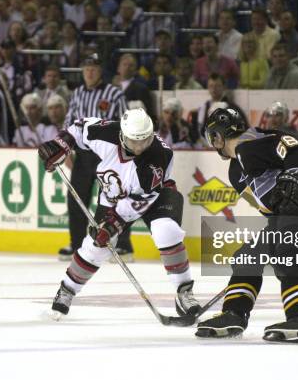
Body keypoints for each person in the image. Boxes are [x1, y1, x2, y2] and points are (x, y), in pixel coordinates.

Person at [195, 107, 298, 342]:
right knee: (247, 257)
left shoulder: (253, 140)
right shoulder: (236, 171)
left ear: (217, 137)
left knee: (287, 253)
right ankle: (234, 313)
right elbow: (269, 206)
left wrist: (295, 176)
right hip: (290, 215)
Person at [39, 108, 201, 319]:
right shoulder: (106, 133)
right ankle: (67, 290)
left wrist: (112, 225)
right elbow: (79, 128)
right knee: (96, 247)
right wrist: (61, 145)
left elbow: (140, 201)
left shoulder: (158, 156)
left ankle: (184, 292)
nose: (140, 147)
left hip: (156, 196)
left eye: (144, 141)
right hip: (113, 197)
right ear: (123, 135)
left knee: (166, 231)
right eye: (134, 141)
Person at [60, 54, 133, 261]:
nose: (89, 72)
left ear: (101, 71)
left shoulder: (114, 94)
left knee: (112, 200)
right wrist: (66, 148)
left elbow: (124, 122)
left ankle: (122, 246)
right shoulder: (77, 93)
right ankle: (76, 245)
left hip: (107, 155)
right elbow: (69, 121)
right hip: (83, 155)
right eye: (86, 68)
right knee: (76, 200)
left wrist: (122, 155)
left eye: (94, 68)